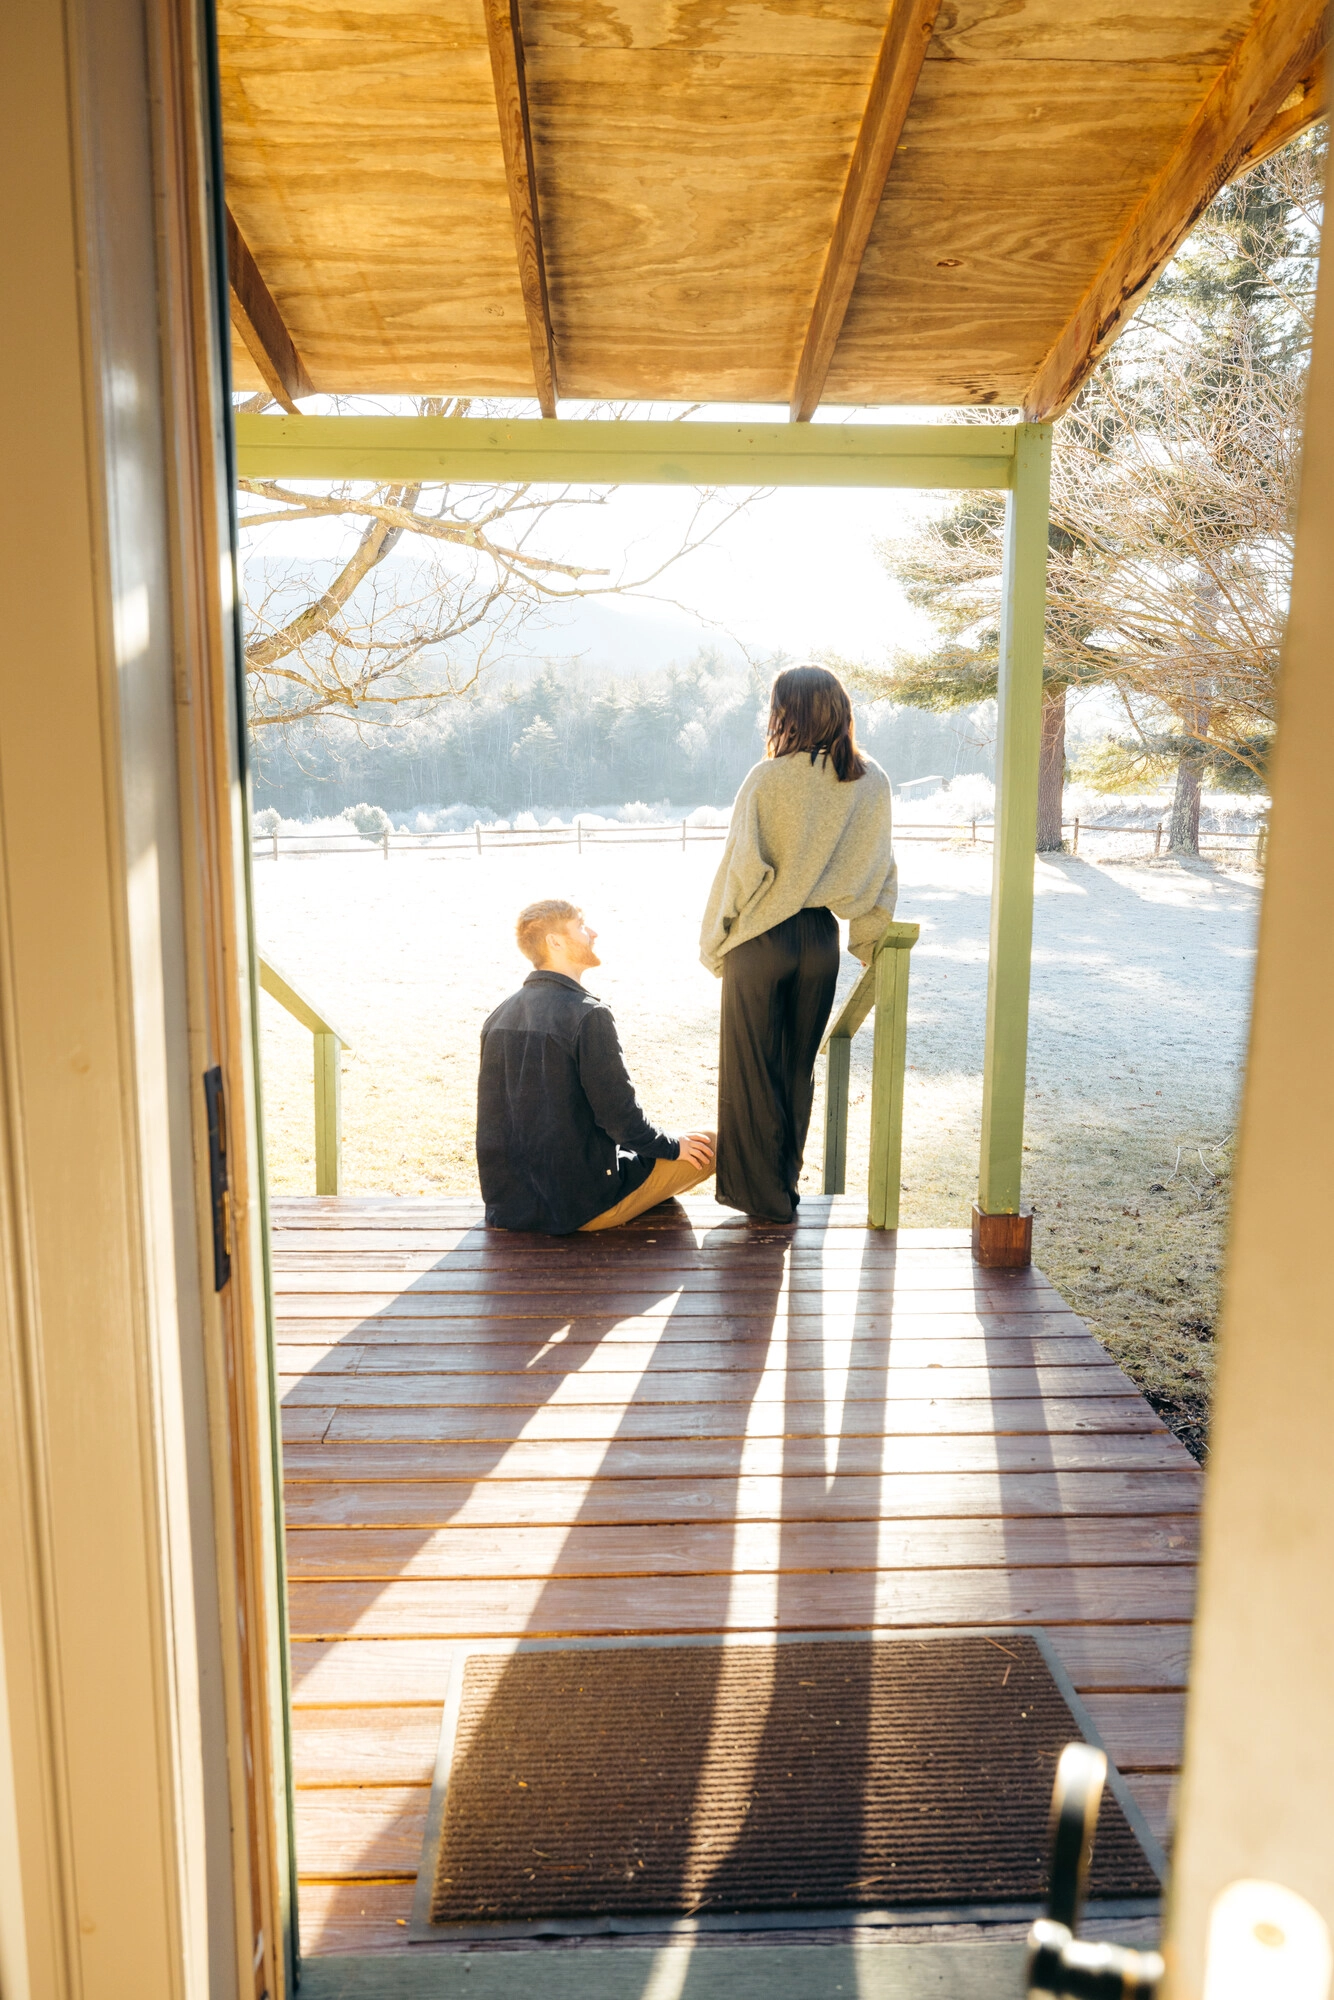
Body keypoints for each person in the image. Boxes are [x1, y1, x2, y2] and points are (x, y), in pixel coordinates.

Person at [700, 664, 898, 1223]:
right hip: (819, 938)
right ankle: (784, 1187)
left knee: (749, 1067)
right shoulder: (871, 781)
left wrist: (715, 939)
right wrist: (868, 934)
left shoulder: (767, 779)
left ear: (785, 711)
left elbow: (740, 871)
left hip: (762, 938)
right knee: (796, 1067)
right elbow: (880, 866)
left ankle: (760, 1199)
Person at [477, 898, 716, 1234]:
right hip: (579, 1208)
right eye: (580, 925)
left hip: (510, 1208)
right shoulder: (589, 1014)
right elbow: (622, 1122)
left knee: (662, 1148)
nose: (593, 933)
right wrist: (674, 1146)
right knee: (711, 1143)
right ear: (555, 942)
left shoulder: (498, 1016)